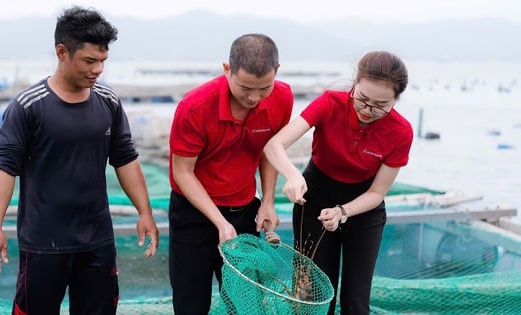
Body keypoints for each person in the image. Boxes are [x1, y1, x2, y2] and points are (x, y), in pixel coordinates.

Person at [0, 6, 159, 315]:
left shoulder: (109, 101)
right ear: (62, 52)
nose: (98, 69)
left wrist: (145, 212)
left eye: (103, 61)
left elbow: (125, 158)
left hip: (98, 241)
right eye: (89, 61)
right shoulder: (28, 106)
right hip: (42, 243)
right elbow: (4, 168)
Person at [263, 51, 412, 314]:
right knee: (313, 295)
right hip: (315, 197)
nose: (367, 111)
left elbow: (377, 193)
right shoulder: (331, 103)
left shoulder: (401, 132)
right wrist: (293, 174)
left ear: (395, 100)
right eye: (362, 100)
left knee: (356, 300)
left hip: (363, 207)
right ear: (354, 84)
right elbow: (274, 145)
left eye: (380, 105)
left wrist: (343, 212)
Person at [168, 33, 294, 314]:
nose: (254, 97)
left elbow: (270, 151)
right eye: (245, 87)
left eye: (264, 88)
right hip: (194, 213)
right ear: (227, 69)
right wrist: (219, 222)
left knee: (245, 302)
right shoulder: (195, 106)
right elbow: (183, 173)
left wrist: (269, 201)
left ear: (277, 72)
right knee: (191, 301)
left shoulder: (283, 96)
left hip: (245, 210)